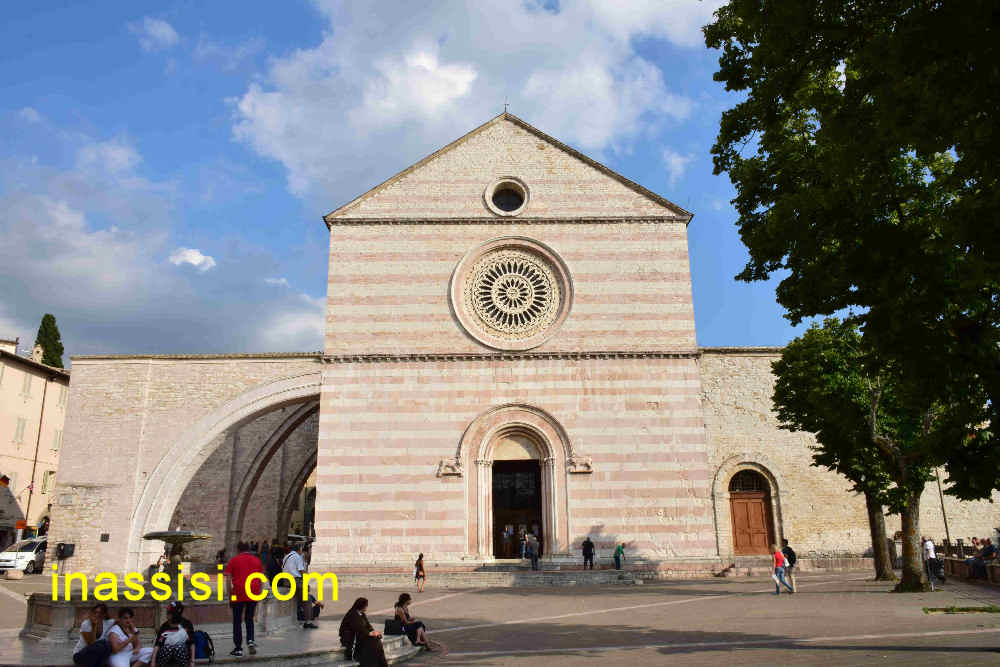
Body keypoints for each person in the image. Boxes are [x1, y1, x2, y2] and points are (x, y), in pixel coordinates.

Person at [224, 541, 264, 656]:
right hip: (253, 591)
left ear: (238, 549)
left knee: (237, 620)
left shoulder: (233, 560)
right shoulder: (257, 560)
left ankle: (238, 648)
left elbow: (228, 579)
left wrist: (230, 595)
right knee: (249, 618)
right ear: (249, 549)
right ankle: (250, 641)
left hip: (238, 591)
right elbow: (261, 579)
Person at [338, 597, 388, 667]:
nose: (366, 607)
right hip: (351, 639)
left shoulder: (362, 614)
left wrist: (374, 632)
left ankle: (381, 664)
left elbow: (368, 626)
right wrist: (370, 633)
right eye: (366, 606)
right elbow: (358, 629)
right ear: (361, 606)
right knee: (376, 643)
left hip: (361, 636)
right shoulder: (352, 614)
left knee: (377, 641)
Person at [283, 543, 315, 629]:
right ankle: (307, 622)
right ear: (299, 549)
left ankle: (300, 615)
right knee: (307, 599)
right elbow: (301, 571)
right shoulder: (297, 556)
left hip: (286, 581)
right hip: (295, 581)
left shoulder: (287, 556)